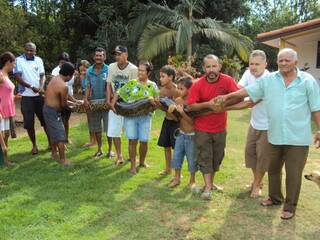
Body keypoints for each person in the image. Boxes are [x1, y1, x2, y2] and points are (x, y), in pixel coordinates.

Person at [219, 48, 320, 219]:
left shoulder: (307, 81)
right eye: (280, 60)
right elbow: (248, 91)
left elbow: (316, 108)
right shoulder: (269, 80)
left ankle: (289, 207)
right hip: (275, 134)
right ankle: (274, 198)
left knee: (294, 173)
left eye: (287, 60)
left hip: (298, 137)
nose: (283, 63)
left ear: (295, 62)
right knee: (273, 169)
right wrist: (226, 97)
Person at [187, 54, 239, 200]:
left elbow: (238, 96)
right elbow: (190, 106)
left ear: (219, 67)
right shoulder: (198, 84)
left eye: (214, 66)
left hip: (220, 128)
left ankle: (210, 183)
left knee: (217, 157)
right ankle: (208, 186)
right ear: (204, 68)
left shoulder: (227, 81)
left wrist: (224, 103)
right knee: (205, 157)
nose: (211, 69)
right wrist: (208, 104)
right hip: (202, 128)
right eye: (208, 66)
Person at [227, 50, 271, 198]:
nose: (253, 67)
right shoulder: (248, 74)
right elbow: (238, 90)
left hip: (268, 125)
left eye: (257, 64)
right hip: (255, 122)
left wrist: (224, 107)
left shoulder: (268, 79)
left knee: (262, 156)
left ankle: (257, 185)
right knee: (250, 153)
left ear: (265, 64)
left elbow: (250, 102)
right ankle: (257, 181)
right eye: (251, 63)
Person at [112, 61, 159, 173]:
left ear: (148, 72)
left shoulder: (153, 86)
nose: (140, 72)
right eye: (139, 70)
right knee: (132, 140)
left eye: (142, 70)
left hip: (145, 117)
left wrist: (153, 102)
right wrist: (113, 104)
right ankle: (133, 165)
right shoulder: (132, 83)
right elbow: (119, 92)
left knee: (144, 140)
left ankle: (142, 162)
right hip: (130, 117)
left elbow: (158, 103)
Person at [14, 42, 50, 155]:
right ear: (24, 49)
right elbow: (17, 77)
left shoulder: (39, 60)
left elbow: (42, 75)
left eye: (32, 50)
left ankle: (51, 143)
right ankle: (34, 146)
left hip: (39, 96)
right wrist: (30, 86)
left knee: (46, 121)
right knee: (29, 123)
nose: (29, 52)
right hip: (26, 96)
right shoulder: (18, 60)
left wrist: (41, 86)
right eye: (27, 50)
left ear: (35, 51)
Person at [106, 46, 138, 164]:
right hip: (115, 104)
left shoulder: (133, 69)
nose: (117, 57)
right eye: (116, 54)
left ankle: (132, 155)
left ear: (126, 55)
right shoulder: (111, 67)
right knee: (115, 131)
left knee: (131, 131)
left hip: (129, 104)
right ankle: (119, 156)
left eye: (119, 54)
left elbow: (134, 88)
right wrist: (108, 101)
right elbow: (109, 84)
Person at [167, 76, 197, 188]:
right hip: (181, 134)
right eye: (178, 88)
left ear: (189, 89)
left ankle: (192, 180)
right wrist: (171, 112)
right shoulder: (178, 100)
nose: (178, 91)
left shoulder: (193, 102)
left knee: (192, 159)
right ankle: (177, 178)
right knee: (176, 157)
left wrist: (182, 112)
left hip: (192, 136)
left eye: (181, 89)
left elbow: (192, 122)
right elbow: (176, 119)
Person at [43, 62, 75, 166]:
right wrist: (73, 107)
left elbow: (64, 96)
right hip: (52, 111)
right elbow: (64, 104)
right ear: (69, 75)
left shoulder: (55, 78)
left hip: (46, 109)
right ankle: (63, 160)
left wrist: (75, 101)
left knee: (53, 133)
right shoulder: (63, 86)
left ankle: (53, 154)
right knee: (61, 135)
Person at [84, 47, 113, 159]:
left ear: (104, 57)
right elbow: (87, 86)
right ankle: (100, 149)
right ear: (94, 57)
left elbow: (110, 85)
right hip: (94, 103)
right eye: (96, 55)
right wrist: (86, 99)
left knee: (108, 128)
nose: (98, 57)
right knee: (96, 128)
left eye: (100, 55)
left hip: (106, 103)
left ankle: (110, 150)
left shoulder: (109, 69)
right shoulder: (89, 71)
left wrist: (109, 99)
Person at [51, 52, 80, 144]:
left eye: (65, 62)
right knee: (59, 120)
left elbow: (73, 85)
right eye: (61, 62)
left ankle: (66, 138)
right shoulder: (55, 72)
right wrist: (74, 102)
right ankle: (59, 141)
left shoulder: (71, 70)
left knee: (66, 120)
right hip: (59, 99)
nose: (62, 64)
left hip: (69, 96)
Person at [157, 65, 180, 175]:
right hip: (167, 121)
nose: (160, 79)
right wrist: (157, 104)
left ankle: (177, 173)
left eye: (163, 76)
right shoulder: (162, 91)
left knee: (177, 149)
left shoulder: (177, 90)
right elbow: (163, 108)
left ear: (170, 77)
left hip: (177, 123)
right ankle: (167, 169)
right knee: (166, 146)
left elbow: (181, 110)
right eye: (160, 76)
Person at [0, 52, 16, 166]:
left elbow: (6, 93)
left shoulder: (6, 76)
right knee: (2, 136)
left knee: (6, 135)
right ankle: (4, 160)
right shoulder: (0, 75)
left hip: (8, 109)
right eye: (13, 62)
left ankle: (5, 160)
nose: (14, 65)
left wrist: (16, 97)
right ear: (8, 62)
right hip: (1, 110)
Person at [78, 60, 96, 147]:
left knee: (93, 120)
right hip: (86, 99)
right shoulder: (81, 77)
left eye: (84, 70)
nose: (82, 72)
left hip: (92, 99)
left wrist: (87, 98)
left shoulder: (91, 75)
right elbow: (84, 88)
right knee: (89, 120)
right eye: (80, 70)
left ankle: (94, 141)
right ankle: (92, 140)